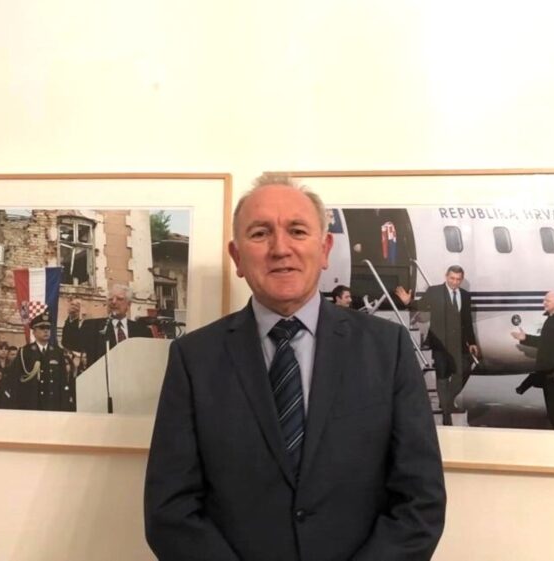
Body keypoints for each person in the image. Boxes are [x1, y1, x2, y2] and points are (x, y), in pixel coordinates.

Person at [144, 174, 445, 561]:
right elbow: (170, 511)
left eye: (298, 231)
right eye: (260, 234)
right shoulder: (194, 359)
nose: (280, 248)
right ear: (237, 257)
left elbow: (420, 501)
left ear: (324, 249)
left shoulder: (389, 349)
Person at [394, 266, 479, 426]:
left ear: (461, 279)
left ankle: (446, 401)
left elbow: (467, 321)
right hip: (440, 342)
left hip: (459, 342)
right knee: (442, 376)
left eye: (458, 279)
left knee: (465, 369)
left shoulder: (465, 296)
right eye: (452, 278)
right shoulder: (434, 291)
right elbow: (421, 305)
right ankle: (446, 414)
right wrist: (408, 302)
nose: (455, 282)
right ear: (446, 276)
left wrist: (472, 342)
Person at [511, 291, 554, 430]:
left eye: (547, 300)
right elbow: (545, 342)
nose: (544, 303)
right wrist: (525, 338)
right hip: (550, 376)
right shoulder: (553, 319)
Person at [61, 284, 152, 368]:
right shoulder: (93, 326)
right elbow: (70, 343)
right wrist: (73, 318)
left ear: (128, 304)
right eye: (110, 299)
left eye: (119, 299)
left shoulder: (142, 331)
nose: (114, 302)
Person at [9, 312, 74, 411]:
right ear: (34, 332)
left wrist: (64, 404)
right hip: (31, 403)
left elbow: (62, 381)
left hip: (52, 403)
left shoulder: (58, 352)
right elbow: (16, 379)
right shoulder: (25, 352)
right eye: (42, 328)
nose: (46, 331)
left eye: (48, 328)